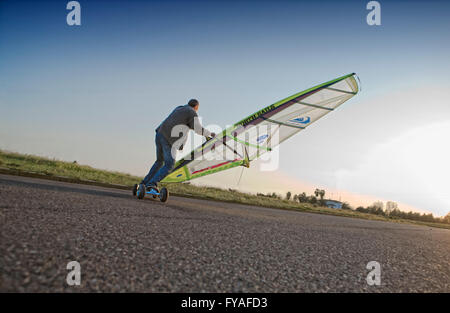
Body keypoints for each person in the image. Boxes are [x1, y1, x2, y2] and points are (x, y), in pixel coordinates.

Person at [140, 99, 215, 191]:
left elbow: (186, 124)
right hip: (168, 138)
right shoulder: (192, 112)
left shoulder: (179, 108)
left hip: (159, 134)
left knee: (159, 161)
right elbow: (198, 128)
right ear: (196, 107)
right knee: (170, 164)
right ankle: (151, 184)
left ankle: (144, 184)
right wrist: (209, 133)